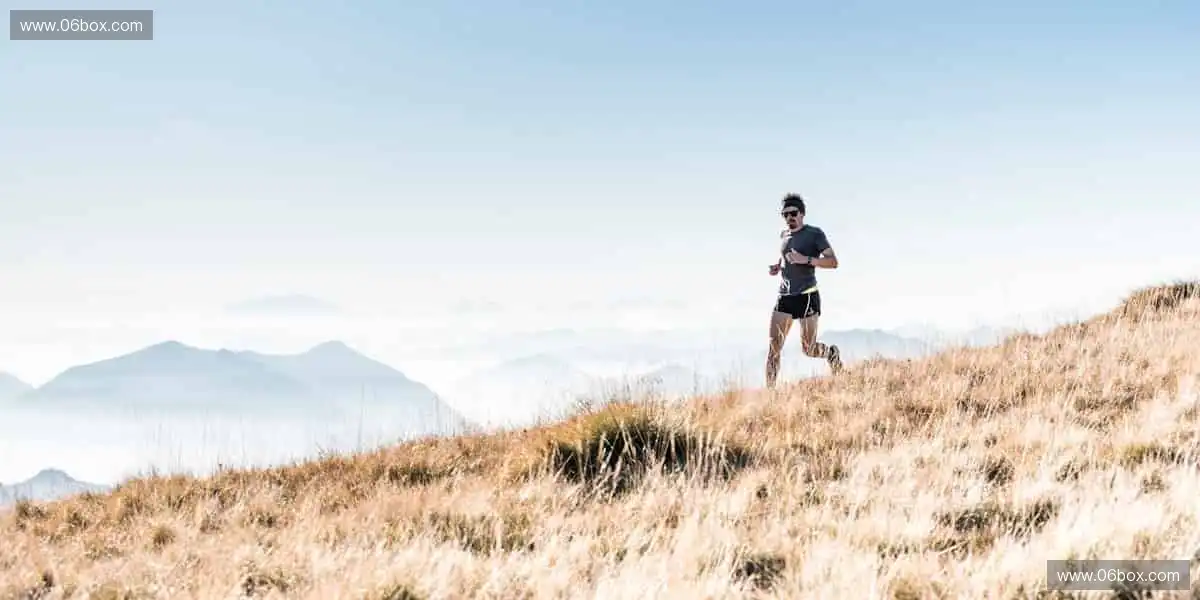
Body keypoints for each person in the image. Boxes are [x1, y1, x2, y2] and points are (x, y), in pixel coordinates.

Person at [766, 193, 842, 387]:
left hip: (807, 295)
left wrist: (806, 260)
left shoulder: (814, 234)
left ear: (802, 213)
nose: (789, 218)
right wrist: (778, 267)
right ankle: (770, 396)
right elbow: (785, 257)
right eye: (785, 214)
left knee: (808, 349)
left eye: (793, 213)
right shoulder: (783, 235)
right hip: (785, 297)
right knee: (774, 348)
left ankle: (831, 353)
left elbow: (833, 262)